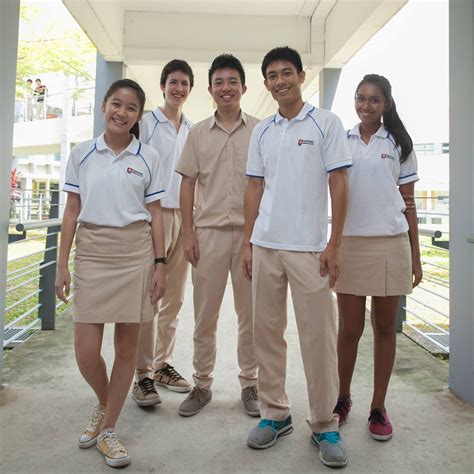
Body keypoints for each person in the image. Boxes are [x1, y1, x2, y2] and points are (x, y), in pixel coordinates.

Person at [243, 46, 351, 468]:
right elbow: (254, 188)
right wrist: (250, 243)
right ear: (266, 83)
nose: (279, 80)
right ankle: (275, 414)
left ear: (302, 76)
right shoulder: (263, 131)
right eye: (272, 75)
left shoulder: (326, 123)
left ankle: (325, 423)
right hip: (266, 245)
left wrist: (335, 243)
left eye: (287, 72)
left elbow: (339, 184)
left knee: (318, 339)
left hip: (310, 249)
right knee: (265, 336)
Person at [55, 79, 167, 468]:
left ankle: (108, 430)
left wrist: (160, 264)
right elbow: (71, 210)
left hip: (135, 254)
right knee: (86, 352)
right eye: (116, 104)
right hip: (91, 253)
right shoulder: (82, 154)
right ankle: (106, 405)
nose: (122, 112)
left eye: (131, 108)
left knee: (126, 350)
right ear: (104, 106)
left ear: (139, 115)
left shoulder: (149, 155)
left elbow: (155, 215)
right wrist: (61, 263)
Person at [333, 74, 422, 441]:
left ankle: (378, 407)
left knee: (385, 329)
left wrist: (416, 257)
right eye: (360, 98)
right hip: (350, 244)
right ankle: (341, 399)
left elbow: (410, 204)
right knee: (349, 331)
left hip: (390, 244)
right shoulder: (341, 140)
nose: (365, 106)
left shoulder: (399, 143)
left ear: (385, 104)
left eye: (373, 100)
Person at [176, 54, 259, 417]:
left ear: (243, 87)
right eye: (219, 82)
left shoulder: (261, 130)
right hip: (207, 235)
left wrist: (256, 239)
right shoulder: (196, 134)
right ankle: (202, 384)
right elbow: (187, 184)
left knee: (251, 316)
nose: (226, 88)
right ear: (210, 89)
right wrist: (187, 234)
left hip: (249, 236)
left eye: (232, 82)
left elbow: (265, 185)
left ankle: (251, 385)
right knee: (204, 316)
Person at [132, 59, 194, 406]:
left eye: (184, 83)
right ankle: (141, 375)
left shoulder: (192, 129)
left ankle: (161, 365)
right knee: (149, 297)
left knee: (175, 298)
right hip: (151, 218)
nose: (178, 88)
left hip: (184, 218)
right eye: (173, 82)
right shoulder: (145, 123)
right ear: (162, 86)